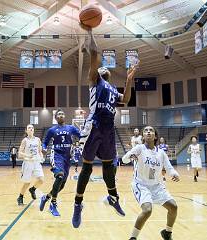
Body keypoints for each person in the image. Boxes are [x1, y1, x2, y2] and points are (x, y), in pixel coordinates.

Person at [72, 22, 137, 228]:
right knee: (87, 168)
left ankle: (113, 198)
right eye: (101, 68)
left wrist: (129, 80)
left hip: (108, 130)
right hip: (94, 125)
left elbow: (126, 99)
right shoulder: (95, 80)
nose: (103, 68)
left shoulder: (111, 90)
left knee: (110, 166)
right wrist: (90, 31)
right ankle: (77, 204)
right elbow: (95, 54)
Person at [122, 126, 180, 240]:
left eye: (151, 130)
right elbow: (124, 159)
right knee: (147, 210)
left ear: (156, 136)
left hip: (157, 186)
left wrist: (174, 174)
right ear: (143, 136)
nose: (148, 132)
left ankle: (167, 233)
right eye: (146, 131)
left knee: (173, 207)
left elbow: (169, 168)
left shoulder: (161, 153)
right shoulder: (139, 148)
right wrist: (130, 156)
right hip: (141, 185)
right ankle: (133, 238)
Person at [40, 109, 80, 217]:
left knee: (61, 185)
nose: (61, 115)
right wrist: (43, 148)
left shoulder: (71, 128)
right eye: (59, 114)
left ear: (64, 116)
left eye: (62, 114)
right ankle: (53, 204)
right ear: (56, 117)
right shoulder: (52, 130)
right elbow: (45, 142)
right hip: (56, 155)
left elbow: (81, 136)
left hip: (67, 158)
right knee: (59, 176)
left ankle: (46, 197)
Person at [16, 124, 44, 206]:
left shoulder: (38, 140)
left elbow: (39, 151)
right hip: (28, 163)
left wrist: (41, 156)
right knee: (27, 182)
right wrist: (27, 155)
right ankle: (20, 197)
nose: (31, 129)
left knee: (41, 180)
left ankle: (33, 189)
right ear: (26, 130)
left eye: (32, 128)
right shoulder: (25, 140)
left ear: (34, 130)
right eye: (29, 128)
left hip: (36, 162)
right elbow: (19, 153)